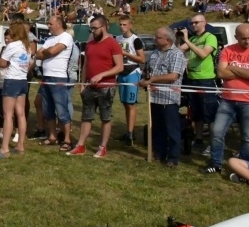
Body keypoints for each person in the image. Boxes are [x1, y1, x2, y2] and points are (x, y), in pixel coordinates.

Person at [200, 24, 249, 175]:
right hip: (228, 100)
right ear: (236, 37)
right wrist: (246, 72)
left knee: (248, 137)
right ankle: (216, 163)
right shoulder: (228, 50)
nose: (247, 41)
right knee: (217, 131)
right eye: (243, 38)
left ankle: (244, 166)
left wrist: (232, 68)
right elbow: (221, 73)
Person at [67, 15, 124, 158]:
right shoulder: (90, 44)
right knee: (86, 117)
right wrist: (82, 83)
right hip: (89, 87)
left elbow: (119, 67)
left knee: (105, 118)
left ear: (103, 27)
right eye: (90, 29)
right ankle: (80, 145)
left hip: (106, 87)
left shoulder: (113, 44)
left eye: (95, 28)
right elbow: (86, 64)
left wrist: (102, 75)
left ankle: (103, 147)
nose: (92, 31)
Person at [139, 27, 186, 167]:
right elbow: (147, 70)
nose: (155, 39)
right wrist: (144, 77)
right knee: (157, 128)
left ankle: (173, 157)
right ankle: (159, 152)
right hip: (154, 97)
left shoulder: (176, 54)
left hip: (169, 98)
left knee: (172, 130)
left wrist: (152, 79)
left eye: (158, 37)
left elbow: (173, 76)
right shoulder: (154, 53)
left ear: (167, 40)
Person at [179, 14, 219, 154]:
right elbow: (178, 50)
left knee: (210, 114)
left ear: (204, 23)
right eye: (192, 23)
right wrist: (178, 38)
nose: (193, 25)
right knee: (197, 113)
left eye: (196, 22)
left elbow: (203, 54)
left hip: (205, 80)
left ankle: (214, 144)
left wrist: (187, 41)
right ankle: (199, 139)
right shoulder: (193, 39)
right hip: (192, 79)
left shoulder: (210, 37)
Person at [35, 15, 74, 151]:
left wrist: (47, 52)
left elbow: (52, 51)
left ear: (59, 24)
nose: (48, 26)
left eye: (50, 24)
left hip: (58, 78)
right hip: (46, 77)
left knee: (61, 109)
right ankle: (52, 136)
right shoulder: (49, 39)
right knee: (48, 109)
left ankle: (67, 140)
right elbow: (38, 54)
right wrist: (48, 52)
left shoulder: (66, 37)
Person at [0, 20, 32, 158]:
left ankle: (4, 148)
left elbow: (2, 63)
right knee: (20, 114)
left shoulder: (12, 45)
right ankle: (20, 145)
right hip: (23, 80)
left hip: (12, 80)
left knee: (8, 115)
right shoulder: (27, 46)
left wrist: (7, 63)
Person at [115, 17, 145, 147]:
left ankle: (131, 134)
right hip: (121, 72)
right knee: (125, 103)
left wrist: (126, 54)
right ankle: (128, 131)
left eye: (124, 24)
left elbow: (142, 59)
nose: (122, 27)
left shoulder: (135, 40)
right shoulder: (117, 39)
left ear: (130, 25)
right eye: (120, 24)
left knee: (131, 103)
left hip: (132, 72)